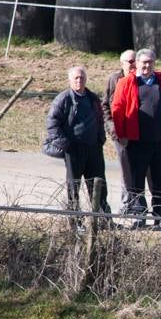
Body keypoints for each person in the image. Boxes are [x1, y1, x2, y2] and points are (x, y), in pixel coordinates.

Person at [110, 48, 161, 228]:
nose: (146, 66)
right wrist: (121, 135)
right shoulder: (126, 83)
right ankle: (139, 217)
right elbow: (117, 109)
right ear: (137, 63)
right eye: (143, 62)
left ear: (154, 63)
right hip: (137, 142)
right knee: (136, 180)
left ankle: (160, 216)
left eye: (150, 62)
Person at [45, 65, 110, 221]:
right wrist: (66, 145)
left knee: (98, 185)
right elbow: (52, 124)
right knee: (73, 187)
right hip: (73, 150)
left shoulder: (93, 98)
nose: (79, 80)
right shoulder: (63, 99)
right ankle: (75, 219)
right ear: (70, 80)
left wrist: (100, 139)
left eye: (82, 77)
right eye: (76, 78)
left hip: (93, 148)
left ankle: (103, 219)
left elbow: (101, 120)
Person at [103, 49, 139, 214]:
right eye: (129, 61)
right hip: (119, 133)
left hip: (139, 133)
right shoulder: (114, 79)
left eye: (134, 61)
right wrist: (112, 129)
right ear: (122, 63)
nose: (133, 64)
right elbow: (105, 106)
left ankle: (141, 203)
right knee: (125, 168)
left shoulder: (141, 79)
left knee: (141, 169)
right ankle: (127, 204)